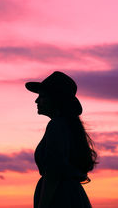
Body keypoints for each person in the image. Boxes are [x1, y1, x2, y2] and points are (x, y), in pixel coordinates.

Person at [25, 71, 98, 208]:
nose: (37, 100)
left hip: (60, 198)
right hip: (71, 195)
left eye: (42, 96)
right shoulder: (67, 126)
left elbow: (53, 173)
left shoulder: (57, 126)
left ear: (55, 99)